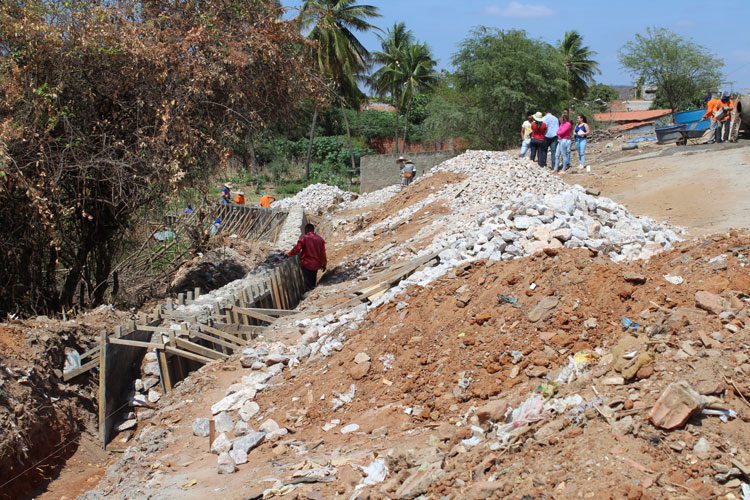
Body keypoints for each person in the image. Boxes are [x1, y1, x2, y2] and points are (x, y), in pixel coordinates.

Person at [286, 223, 327, 291]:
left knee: (308, 283)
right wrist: (324, 263)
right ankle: (312, 292)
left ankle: (309, 294)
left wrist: (288, 254)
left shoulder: (304, 238)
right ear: (313, 230)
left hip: (306, 264)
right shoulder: (320, 239)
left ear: (306, 230)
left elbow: (296, 250)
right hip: (316, 265)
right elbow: (322, 253)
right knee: (313, 281)